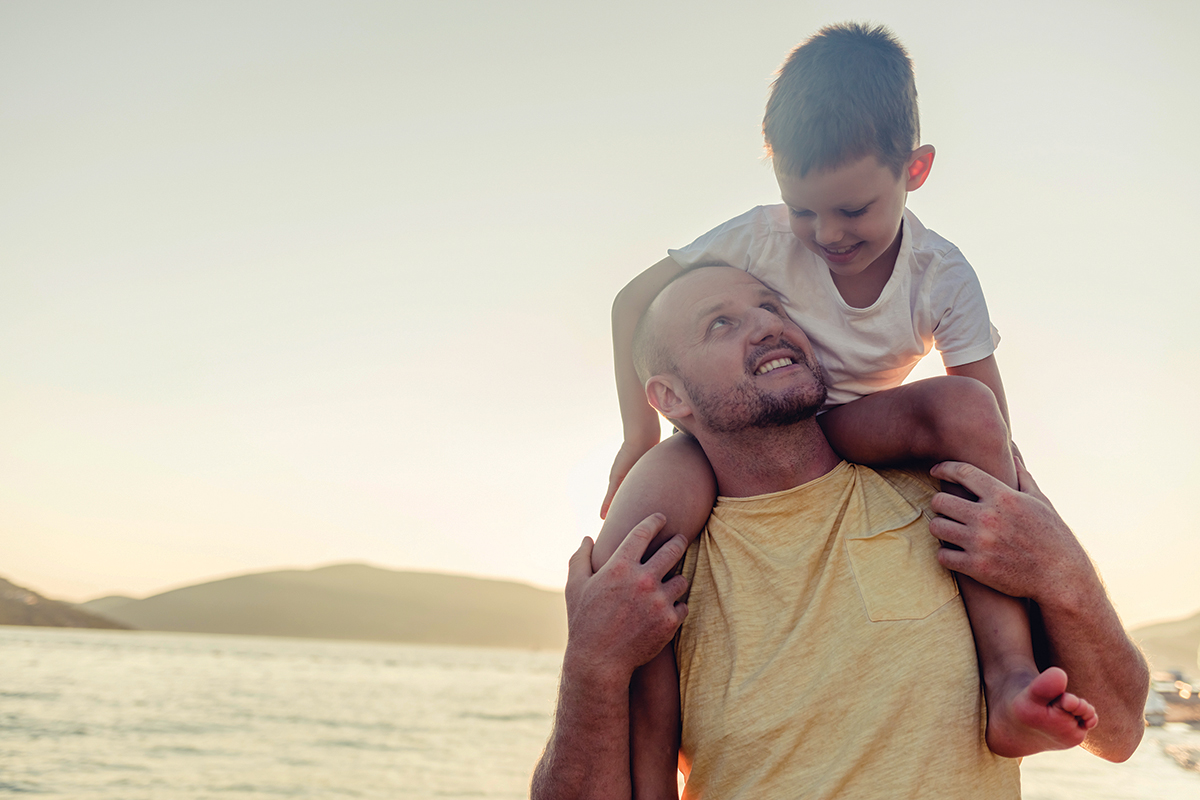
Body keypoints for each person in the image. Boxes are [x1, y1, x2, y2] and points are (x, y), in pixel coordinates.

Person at [601, 22, 1070, 762]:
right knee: (650, 499)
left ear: (914, 171)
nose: (826, 233)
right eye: (804, 209)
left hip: (852, 425)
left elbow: (983, 413)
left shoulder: (941, 275)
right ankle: (648, 743)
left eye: (853, 210)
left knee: (967, 413)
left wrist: (1017, 504)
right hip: (747, 422)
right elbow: (634, 304)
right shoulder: (758, 237)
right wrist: (639, 434)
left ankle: (1009, 676)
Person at [532, 267, 1148, 799]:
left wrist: (1063, 570)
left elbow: (1117, 731)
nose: (767, 324)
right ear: (670, 397)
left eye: (771, 306)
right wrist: (592, 666)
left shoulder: (949, 491)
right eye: (719, 323)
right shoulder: (656, 578)